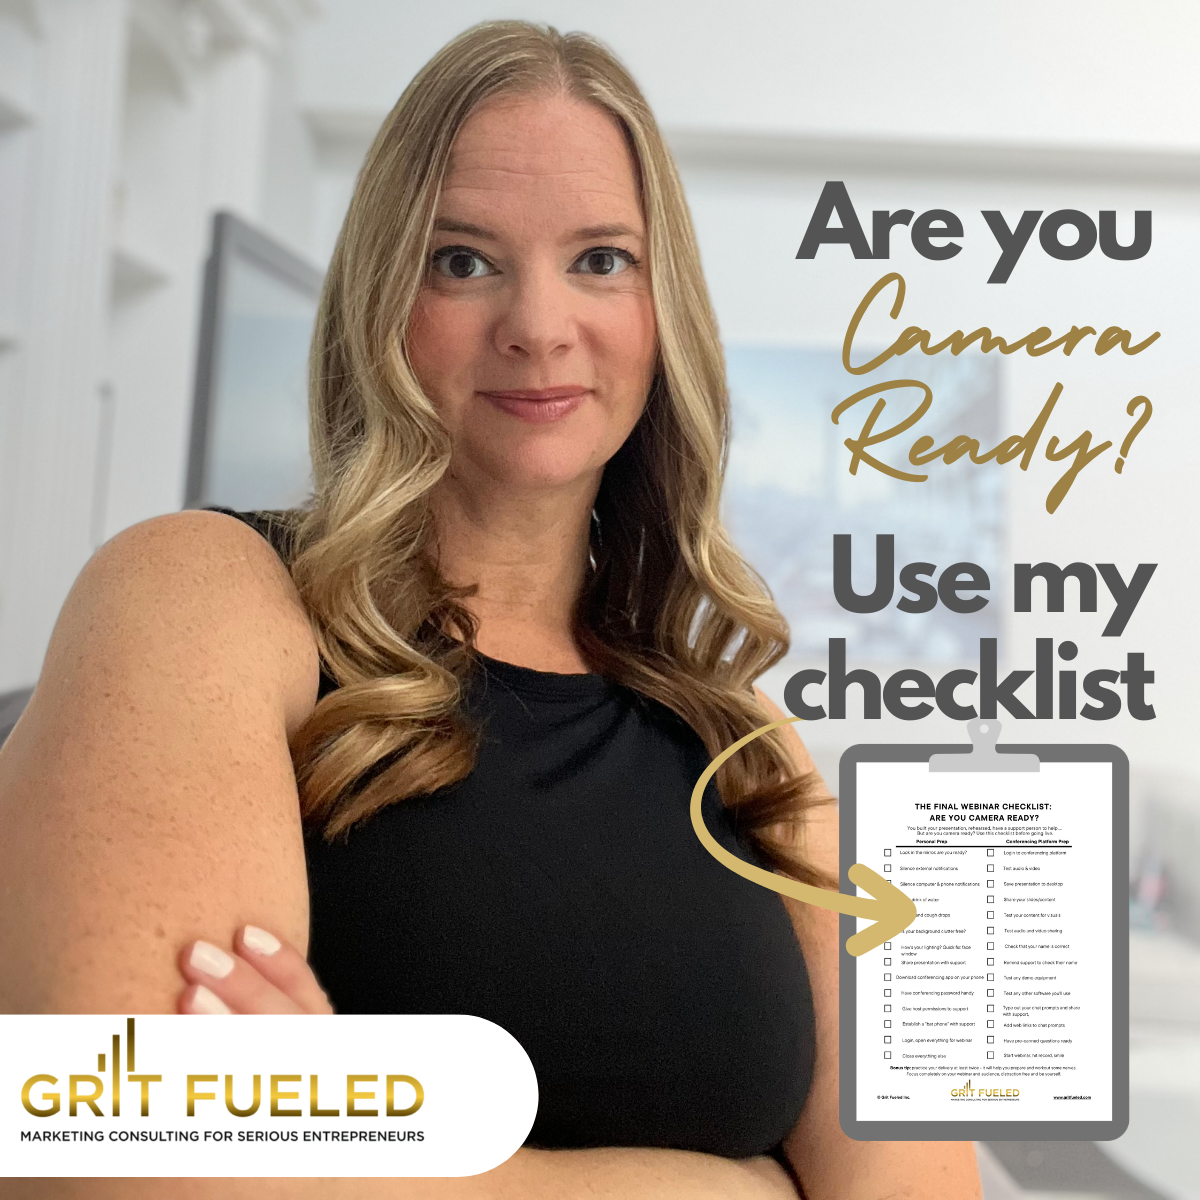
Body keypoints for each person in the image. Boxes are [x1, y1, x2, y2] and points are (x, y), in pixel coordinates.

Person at [0, 20, 982, 1200]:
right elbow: (123, 1160)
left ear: (662, 312)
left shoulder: (748, 738)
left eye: (601, 259)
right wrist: (739, 1186)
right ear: (379, 299)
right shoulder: (201, 597)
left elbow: (927, 1187)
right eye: (462, 260)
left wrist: (386, 1156)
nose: (538, 323)